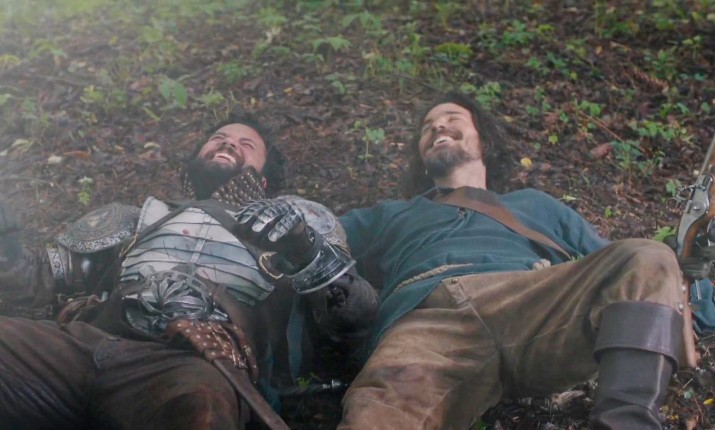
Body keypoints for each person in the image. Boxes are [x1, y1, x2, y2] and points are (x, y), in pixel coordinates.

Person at [329, 92, 696, 429]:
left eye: (452, 118)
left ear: (484, 142)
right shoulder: (390, 214)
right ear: (423, 161)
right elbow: (319, 235)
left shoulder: (535, 205)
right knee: (376, 418)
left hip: (530, 303)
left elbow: (636, 277)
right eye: (427, 127)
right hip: (425, 322)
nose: (438, 126)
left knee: (646, 255)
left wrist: (693, 276)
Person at [0, 115, 378, 430]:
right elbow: (29, 278)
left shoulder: (299, 223)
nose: (228, 143)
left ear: (264, 179)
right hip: (84, 344)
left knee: (201, 414)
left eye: (246, 144)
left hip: (193, 365)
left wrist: (303, 246)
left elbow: (353, 321)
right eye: (218, 138)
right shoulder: (133, 219)